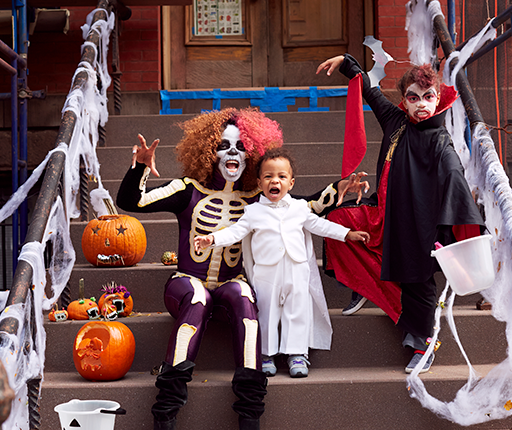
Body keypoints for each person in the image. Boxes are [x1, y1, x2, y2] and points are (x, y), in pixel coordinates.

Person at [116, 108, 367, 430]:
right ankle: (165, 412)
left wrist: (337, 191)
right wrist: (139, 167)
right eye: (223, 145)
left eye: (240, 147)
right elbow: (132, 202)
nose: (232, 152)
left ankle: (250, 415)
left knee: (245, 300)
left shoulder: (256, 197)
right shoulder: (187, 189)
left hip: (229, 283)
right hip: (187, 282)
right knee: (196, 299)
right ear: (208, 151)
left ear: (252, 156)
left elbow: (302, 206)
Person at [316, 54, 485, 374]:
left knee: (418, 282)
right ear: (405, 102)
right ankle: (363, 286)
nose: (421, 104)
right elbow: (371, 92)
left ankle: (425, 342)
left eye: (428, 97)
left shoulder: (440, 140)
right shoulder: (395, 122)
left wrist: (451, 230)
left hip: (418, 226)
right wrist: (347, 64)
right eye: (413, 98)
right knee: (338, 222)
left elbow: (453, 177)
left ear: (437, 100)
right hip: (384, 215)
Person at [194, 148, 370, 378]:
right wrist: (212, 239)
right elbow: (236, 232)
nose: (274, 181)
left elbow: (320, 225)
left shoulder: (299, 209)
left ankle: (297, 353)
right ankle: (266, 354)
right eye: (268, 177)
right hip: (267, 272)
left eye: (281, 177)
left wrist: (347, 233)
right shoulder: (253, 211)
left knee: (296, 311)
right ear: (259, 182)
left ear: (291, 183)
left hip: (296, 268)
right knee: (266, 311)